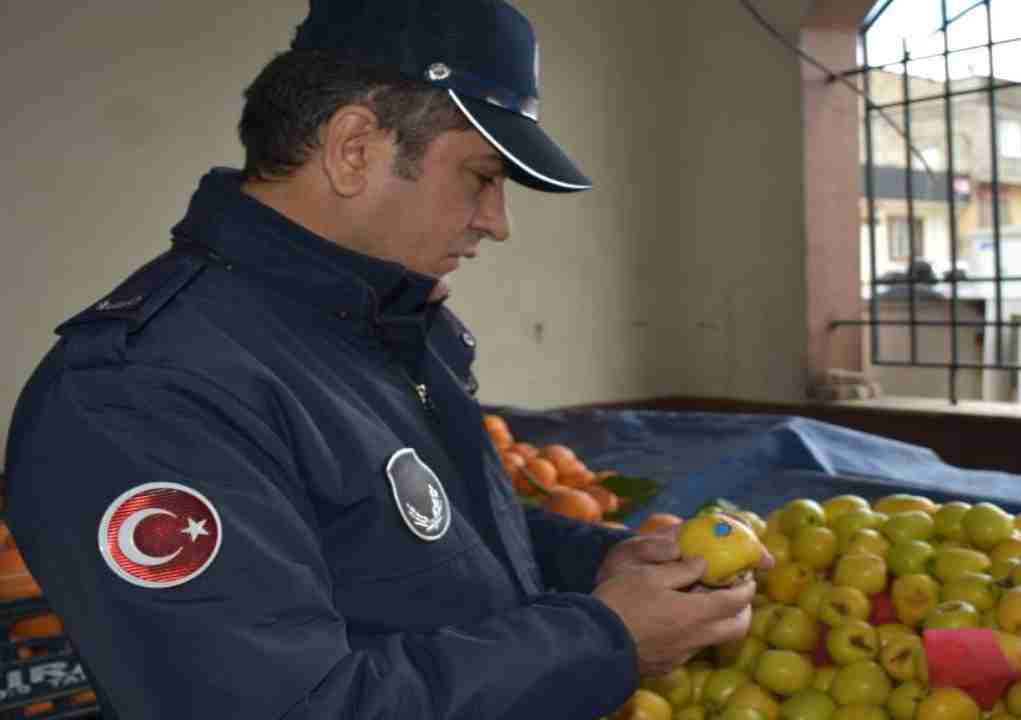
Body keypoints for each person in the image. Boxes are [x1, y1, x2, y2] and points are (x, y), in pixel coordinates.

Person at [2, 1, 768, 717]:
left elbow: (426, 547)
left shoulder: (376, 326)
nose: (497, 222)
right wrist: (606, 639)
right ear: (353, 148)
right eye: (482, 176)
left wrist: (596, 562)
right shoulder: (145, 392)